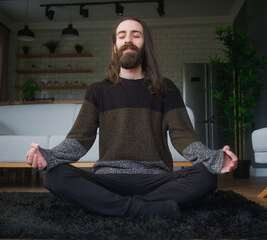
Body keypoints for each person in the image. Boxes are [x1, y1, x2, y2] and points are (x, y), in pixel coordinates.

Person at [26, 16, 238, 219]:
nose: (128, 39)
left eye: (136, 35)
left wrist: (214, 158)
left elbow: (184, 138)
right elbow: (79, 141)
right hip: (107, 179)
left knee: (206, 176)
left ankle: (112, 206)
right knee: (54, 176)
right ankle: (148, 208)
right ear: (114, 46)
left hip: (157, 179)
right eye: (122, 35)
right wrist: (49, 156)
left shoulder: (166, 89)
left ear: (145, 46)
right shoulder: (97, 91)